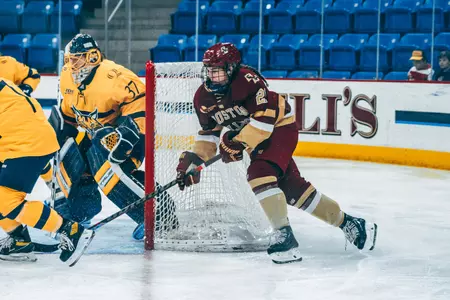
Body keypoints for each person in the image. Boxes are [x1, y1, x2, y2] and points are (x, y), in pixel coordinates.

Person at [175, 43, 378, 264]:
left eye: (218, 70)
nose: (212, 75)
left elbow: (263, 124)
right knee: (293, 190)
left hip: (279, 128)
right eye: (209, 70)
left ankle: (284, 235)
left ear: (232, 68)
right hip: (255, 139)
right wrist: (195, 160)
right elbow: (209, 135)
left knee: (259, 174)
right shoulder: (202, 99)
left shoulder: (247, 80)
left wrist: (235, 142)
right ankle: (350, 223)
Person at [41, 33, 176, 241]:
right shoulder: (67, 75)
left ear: (93, 56)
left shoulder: (116, 78)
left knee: (106, 167)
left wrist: (127, 134)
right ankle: (80, 212)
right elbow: (69, 118)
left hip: (130, 136)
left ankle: (159, 215)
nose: (71, 64)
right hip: (96, 134)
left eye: (77, 59)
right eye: (69, 59)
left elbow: (143, 113)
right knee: (69, 158)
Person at [0, 77, 93, 264]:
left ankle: (70, 230)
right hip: (27, 140)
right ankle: (19, 242)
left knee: (6, 200)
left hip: (24, 144)